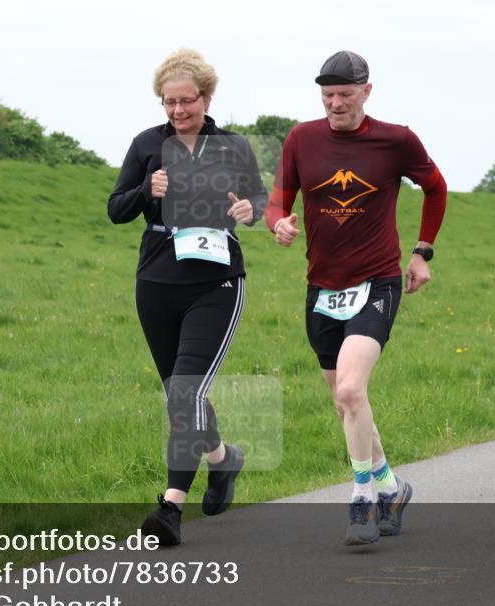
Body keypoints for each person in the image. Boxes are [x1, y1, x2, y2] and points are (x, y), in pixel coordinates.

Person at [267, 50, 447, 545]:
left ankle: (363, 497)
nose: (336, 103)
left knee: (350, 391)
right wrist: (278, 222)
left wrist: (422, 251)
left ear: (367, 91)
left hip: (376, 284)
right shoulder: (302, 138)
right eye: (327, 95)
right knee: (346, 402)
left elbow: (436, 188)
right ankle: (393, 486)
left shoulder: (396, 140)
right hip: (322, 288)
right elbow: (279, 198)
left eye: (345, 93)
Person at [107, 49, 267, 546]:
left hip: (216, 283)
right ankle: (223, 460)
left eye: (186, 102)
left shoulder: (233, 146)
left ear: (207, 97)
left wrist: (247, 209)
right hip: (156, 282)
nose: (177, 111)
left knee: (184, 393)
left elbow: (258, 201)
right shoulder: (146, 145)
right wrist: (146, 193)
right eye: (168, 103)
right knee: (182, 392)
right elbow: (116, 209)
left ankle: (170, 507)